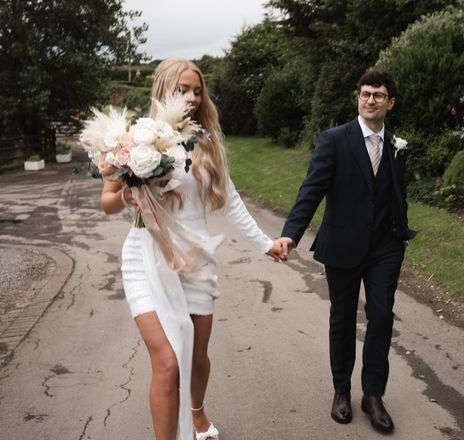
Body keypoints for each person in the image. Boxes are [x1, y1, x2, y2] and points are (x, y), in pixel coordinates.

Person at [100, 58, 285, 440]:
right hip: (146, 257)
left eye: (196, 90)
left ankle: (197, 412)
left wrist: (265, 244)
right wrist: (129, 197)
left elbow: (230, 199)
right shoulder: (136, 138)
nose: (191, 97)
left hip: (196, 263)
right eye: (182, 89)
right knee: (168, 364)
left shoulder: (206, 140)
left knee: (197, 358)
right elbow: (108, 200)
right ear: (163, 90)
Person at [278, 70, 416, 434]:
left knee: (382, 315)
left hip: (385, 247)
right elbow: (312, 190)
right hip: (342, 244)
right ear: (358, 97)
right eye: (366, 93)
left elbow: (394, 193)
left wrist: (401, 229)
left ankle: (373, 395)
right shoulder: (334, 140)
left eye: (379, 95)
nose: (371, 100)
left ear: (390, 103)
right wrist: (290, 234)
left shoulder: (396, 146)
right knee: (342, 318)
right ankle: (342, 390)